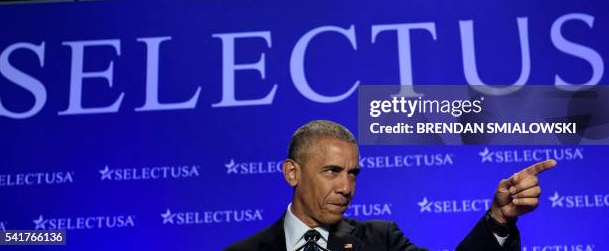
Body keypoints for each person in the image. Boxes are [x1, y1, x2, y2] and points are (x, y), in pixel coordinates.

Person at [224, 120, 556, 251]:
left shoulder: (381, 240)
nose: (346, 187)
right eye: (331, 171)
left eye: (353, 173)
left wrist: (499, 218)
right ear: (292, 173)